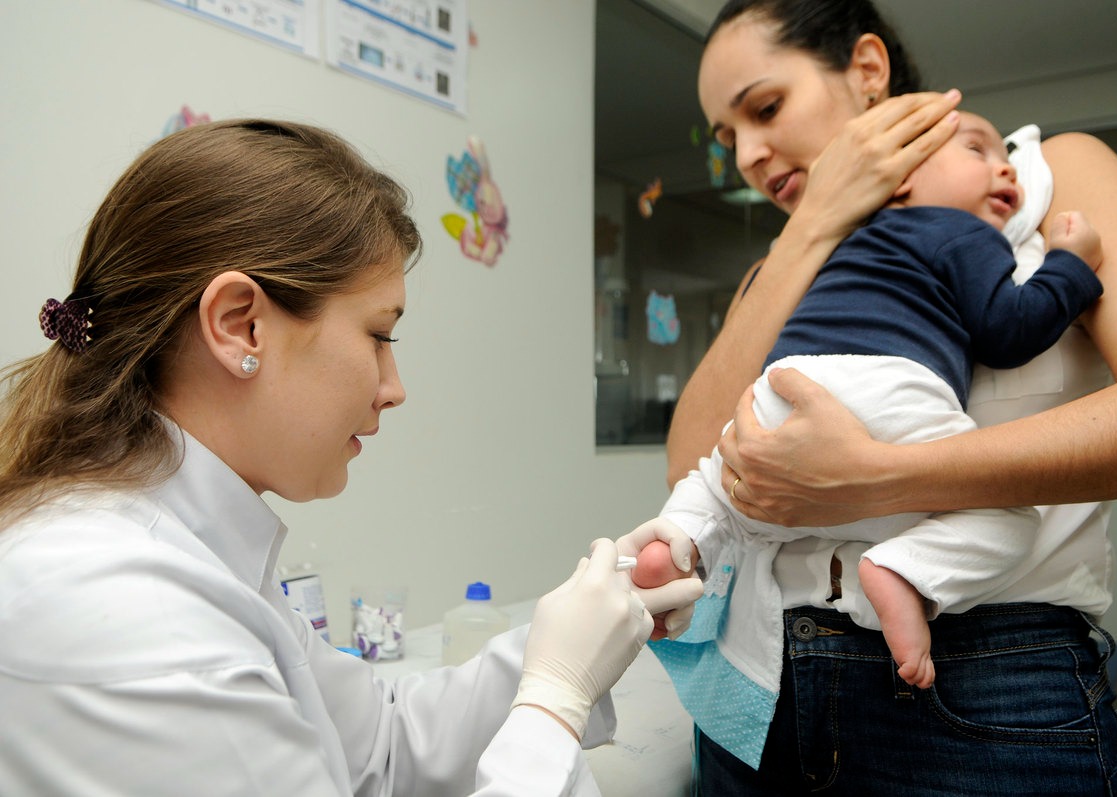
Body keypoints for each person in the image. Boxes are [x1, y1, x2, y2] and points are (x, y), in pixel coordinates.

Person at [0, 119, 702, 796]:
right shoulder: (129, 614)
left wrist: (571, 640)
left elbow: (384, 747)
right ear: (239, 324)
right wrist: (553, 699)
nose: (394, 389)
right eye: (378, 335)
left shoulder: (186, 550)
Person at [618, 0, 1117, 793]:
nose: (749, 155)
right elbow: (692, 460)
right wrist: (814, 224)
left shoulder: (1040, 176)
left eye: (764, 108)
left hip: (983, 680)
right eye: (728, 140)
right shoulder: (778, 265)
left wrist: (880, 475)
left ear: (866, 70)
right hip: (760, 685)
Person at [632, 109, 1103, 708]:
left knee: (720, 488)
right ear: (902, 180)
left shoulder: (829, 251)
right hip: (891, 388)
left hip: (782, 388)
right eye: (977, 150)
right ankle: (906, 571)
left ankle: (680, 539)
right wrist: (1071, 263)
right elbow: (1009, 330)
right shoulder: (961, 231)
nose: (1004, 166)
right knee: (1010, 515)